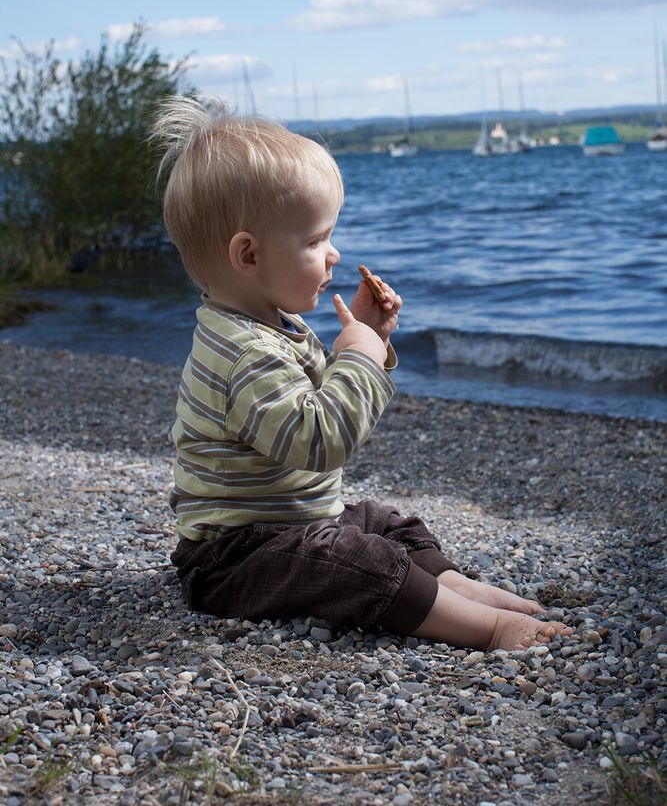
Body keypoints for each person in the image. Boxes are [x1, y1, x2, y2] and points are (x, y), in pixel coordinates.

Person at [151, 96, 574, 651]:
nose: (334, 254)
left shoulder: (266, 326)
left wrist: (374, 339)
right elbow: (320, 440)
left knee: (385, 523)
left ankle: (456, 589)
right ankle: (485, 627)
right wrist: (360, 355)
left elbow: (320, 398)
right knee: (357, 559)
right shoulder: (241, 353)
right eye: (314, 240)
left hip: (287, 524)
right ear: (248, 255)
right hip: (230, 558)